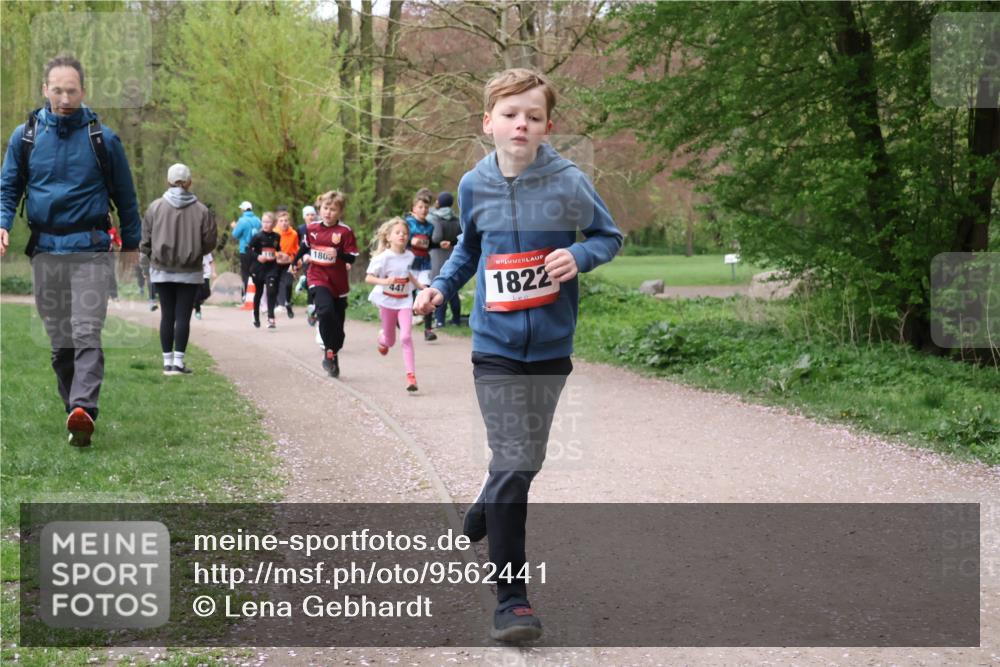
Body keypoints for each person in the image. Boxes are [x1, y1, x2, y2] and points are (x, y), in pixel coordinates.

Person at [414, 68, 622, 642]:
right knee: (514, 457)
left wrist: (579, 256)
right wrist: (440, 287)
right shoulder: (472, 184)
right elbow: (469, 252)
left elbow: (609, 236)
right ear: (488, 123)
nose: (521, 124)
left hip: (552, 346)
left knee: (523, 460)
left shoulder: (569, 181)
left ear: (547, 125)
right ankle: (511, 601)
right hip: (495, 346)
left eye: (533, 115)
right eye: (510, 114)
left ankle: (488, 496)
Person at [0, 55, 142, 447]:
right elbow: (8, 187)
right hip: (45, 250)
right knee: (60, 342)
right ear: (45, 90)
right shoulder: (25, 137)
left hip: (91, 250)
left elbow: (126, 198)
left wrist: (131, 243)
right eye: (57, 90)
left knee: (85, 331)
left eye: (72, 90)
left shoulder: (103, 139)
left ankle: (85, 407)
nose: (65, 97)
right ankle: (74, 414)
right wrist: (2, 222)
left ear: (84, 91)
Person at [141, 163, 217, 375]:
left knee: (167, 315)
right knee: (183, 316)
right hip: (190, 271)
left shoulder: (155, 207)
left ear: (168, 181)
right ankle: (179, 362)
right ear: (189, 182)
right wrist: (196, 251)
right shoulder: (202, 211)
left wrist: (148, 258)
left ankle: (167, 363)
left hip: (161, 269)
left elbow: (145, 239)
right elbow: (210, 241)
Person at [296, 190, 357, 377]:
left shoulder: (345, 232)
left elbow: (352, 258)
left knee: (338, 327)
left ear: (340, 212)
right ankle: (328, 353)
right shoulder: (312, 228)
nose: (328, 212)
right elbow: (304, 247)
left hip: (338, 283)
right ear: (319, 209)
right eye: (325, 208)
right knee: (325, 311)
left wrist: (338, 254)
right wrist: (295, 262)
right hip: (317, 277)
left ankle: (332, 353)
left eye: (333, 209)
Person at [365, 217, 425, 391]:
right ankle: (382, 338)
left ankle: (411, 376)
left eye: (405, 233)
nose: (402, 236)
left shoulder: (410, 255)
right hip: (387, 302)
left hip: (405, 301)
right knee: (390, 342)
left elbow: (408, 274)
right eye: (398, 232)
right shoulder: (383, 258)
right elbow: (368, 277)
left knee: (406, 337)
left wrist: (420, 285)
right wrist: (384, 282)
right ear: (388, 237)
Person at [404, 191, 438, 341]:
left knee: (426, 294)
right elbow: (399, 241)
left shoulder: (430, 226)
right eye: (420, 207)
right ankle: (403, 322)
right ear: (414, 208)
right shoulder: (407, 223)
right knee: (408, 296)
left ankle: (428, 329)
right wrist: (410, 241)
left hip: (424, 264)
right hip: (409, 264)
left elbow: (428, 244)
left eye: (426, 207)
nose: (424, 210)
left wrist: (438, 244)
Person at [247, 212, 287, 329]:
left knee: (271, 291)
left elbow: (277, 249)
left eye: (268, 222)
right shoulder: (257, 236)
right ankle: (256, 316)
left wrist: (280, 254)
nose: (265, 224)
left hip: (272, 268)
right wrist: (258, 257)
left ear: (274, 223)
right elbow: (248, 249)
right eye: (264, 222)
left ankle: (271, 317)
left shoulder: (277, 237)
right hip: (259, 268)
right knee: (258, 293)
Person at [427, 190, 460, 327]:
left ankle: (440, 320)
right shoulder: (457, 219)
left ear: (439, 203)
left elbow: (436, 237)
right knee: (453, 288)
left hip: (438, 256)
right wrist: (451, 243)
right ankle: (456, 319)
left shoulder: (436, 219)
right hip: (452, 254)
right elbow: (461, 237)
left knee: (439, 287)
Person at [230, 201, 260, 297]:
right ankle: (257, 294)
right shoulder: (258, 220)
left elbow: (235, 234)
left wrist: (234, 227)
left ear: (243, 210)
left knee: (245, 273)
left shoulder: (242, 221)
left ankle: (246, 296)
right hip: (256, 250)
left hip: (245, 250)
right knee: (255, 272)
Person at [274, 209, 299, 318]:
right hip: (275, 263)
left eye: (286, 220)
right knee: (276, 283)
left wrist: (291, 257)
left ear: (289, 222)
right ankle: (279, 304)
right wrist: (277, 254)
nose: (284, 223)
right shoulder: (273, 233)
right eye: (281, 220)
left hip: (288, 263)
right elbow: (269, 248)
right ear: (277, 222)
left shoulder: (293, 234)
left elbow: (296, 249)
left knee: (288, 283)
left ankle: (287, 302)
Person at [297, 204, 318, 324]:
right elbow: (298, 245)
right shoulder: (300, 229)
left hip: (318, 259)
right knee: (311, 284)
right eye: (308, 215)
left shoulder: (319, 227)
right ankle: (311, 310)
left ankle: (318, 308)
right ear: (304, 217)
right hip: (306, 260)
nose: (310, 217)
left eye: (312, 214)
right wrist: (299, 258)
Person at [194, 252, 216, 320]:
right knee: (197, 294)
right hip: (197, 275)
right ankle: (198, 311)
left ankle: (195, 303)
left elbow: (212, 262)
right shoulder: (195, 251)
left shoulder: (207, 252)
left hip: (206, 275)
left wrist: (214, 272)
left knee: (207, 293)